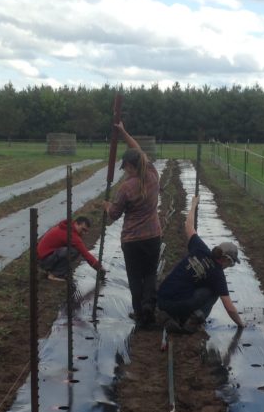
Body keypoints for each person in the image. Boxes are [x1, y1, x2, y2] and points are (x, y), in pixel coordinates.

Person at [154, 195, 245, 334]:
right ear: (226, 259)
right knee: (213, 292)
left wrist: (193, 205)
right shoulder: (217, 274)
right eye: (230, 264)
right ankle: (192, 322)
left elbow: (188, 225)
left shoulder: (200, 248)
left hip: (161, 298)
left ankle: (170, 315)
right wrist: (241, 324)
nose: (228, 267)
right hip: (174, 305)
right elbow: (229, 307)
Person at [104, 121, 161, 327]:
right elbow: (138, 150)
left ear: (130, 166)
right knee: (150, 274)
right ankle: (149, 308)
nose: (124, 170)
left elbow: (113, 215)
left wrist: (107, 205)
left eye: (125, 167)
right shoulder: (153, 175)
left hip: (132, 239)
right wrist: (124, 132)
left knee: (136, 278)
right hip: (153, 236)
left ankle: (139, 313)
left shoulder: (126, 188)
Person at [37, 215, 104, 282]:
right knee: (74, 251)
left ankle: (54, 270)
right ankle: (55, 274)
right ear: (76, 224)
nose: (83, 233)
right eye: (83, 229)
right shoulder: (71, 235)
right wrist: (99, 268)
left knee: (69, 250)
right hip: (45, 260)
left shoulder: (66, 227)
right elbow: (86, 254)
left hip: (43, 258)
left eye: (85, 231)